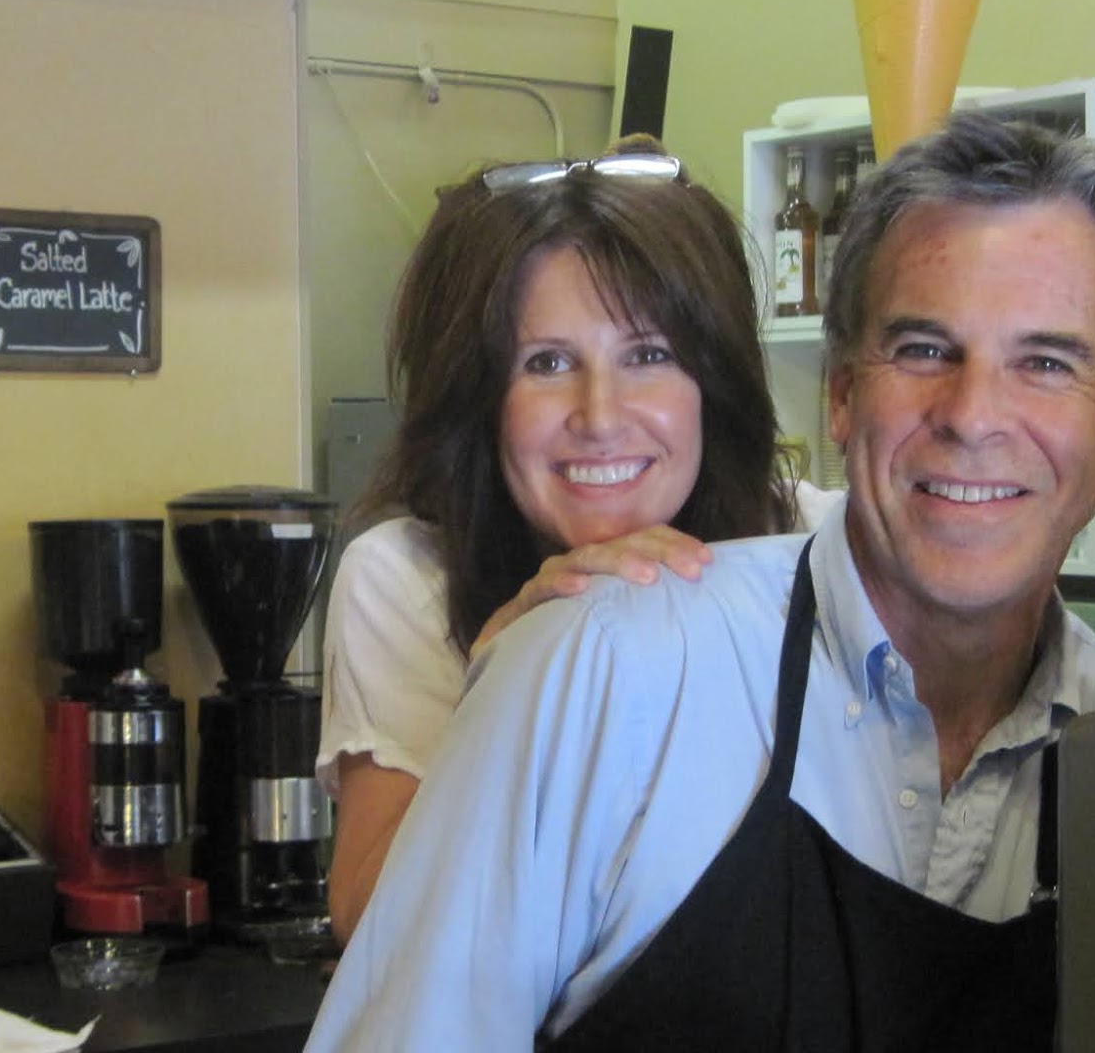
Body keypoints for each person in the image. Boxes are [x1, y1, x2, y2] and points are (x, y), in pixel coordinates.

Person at [279, 112, 1095, 1053]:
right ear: (840, 394)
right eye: (922, 350)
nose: (971, 416)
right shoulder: (597, 657)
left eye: (1045, 362)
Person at [317, 142, 799, 943]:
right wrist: (506, 692)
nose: (600, 416)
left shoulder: (809, 549)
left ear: (714, 383)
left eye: (648, 355)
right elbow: (367, 926)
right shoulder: (406, 581)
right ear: (478, 398)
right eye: (546, 363)